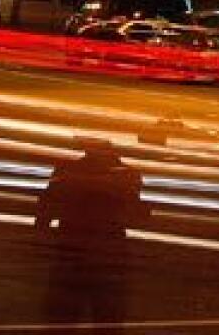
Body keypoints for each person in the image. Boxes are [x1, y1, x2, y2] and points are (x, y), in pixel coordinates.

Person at [35, 138, 149, 332]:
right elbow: (137, 214)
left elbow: (46, 207)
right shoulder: (127, 175)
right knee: (107, 316)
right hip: (109, 250)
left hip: (71, 247)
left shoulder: (67, 171)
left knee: (64, 317)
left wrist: (41, 235)